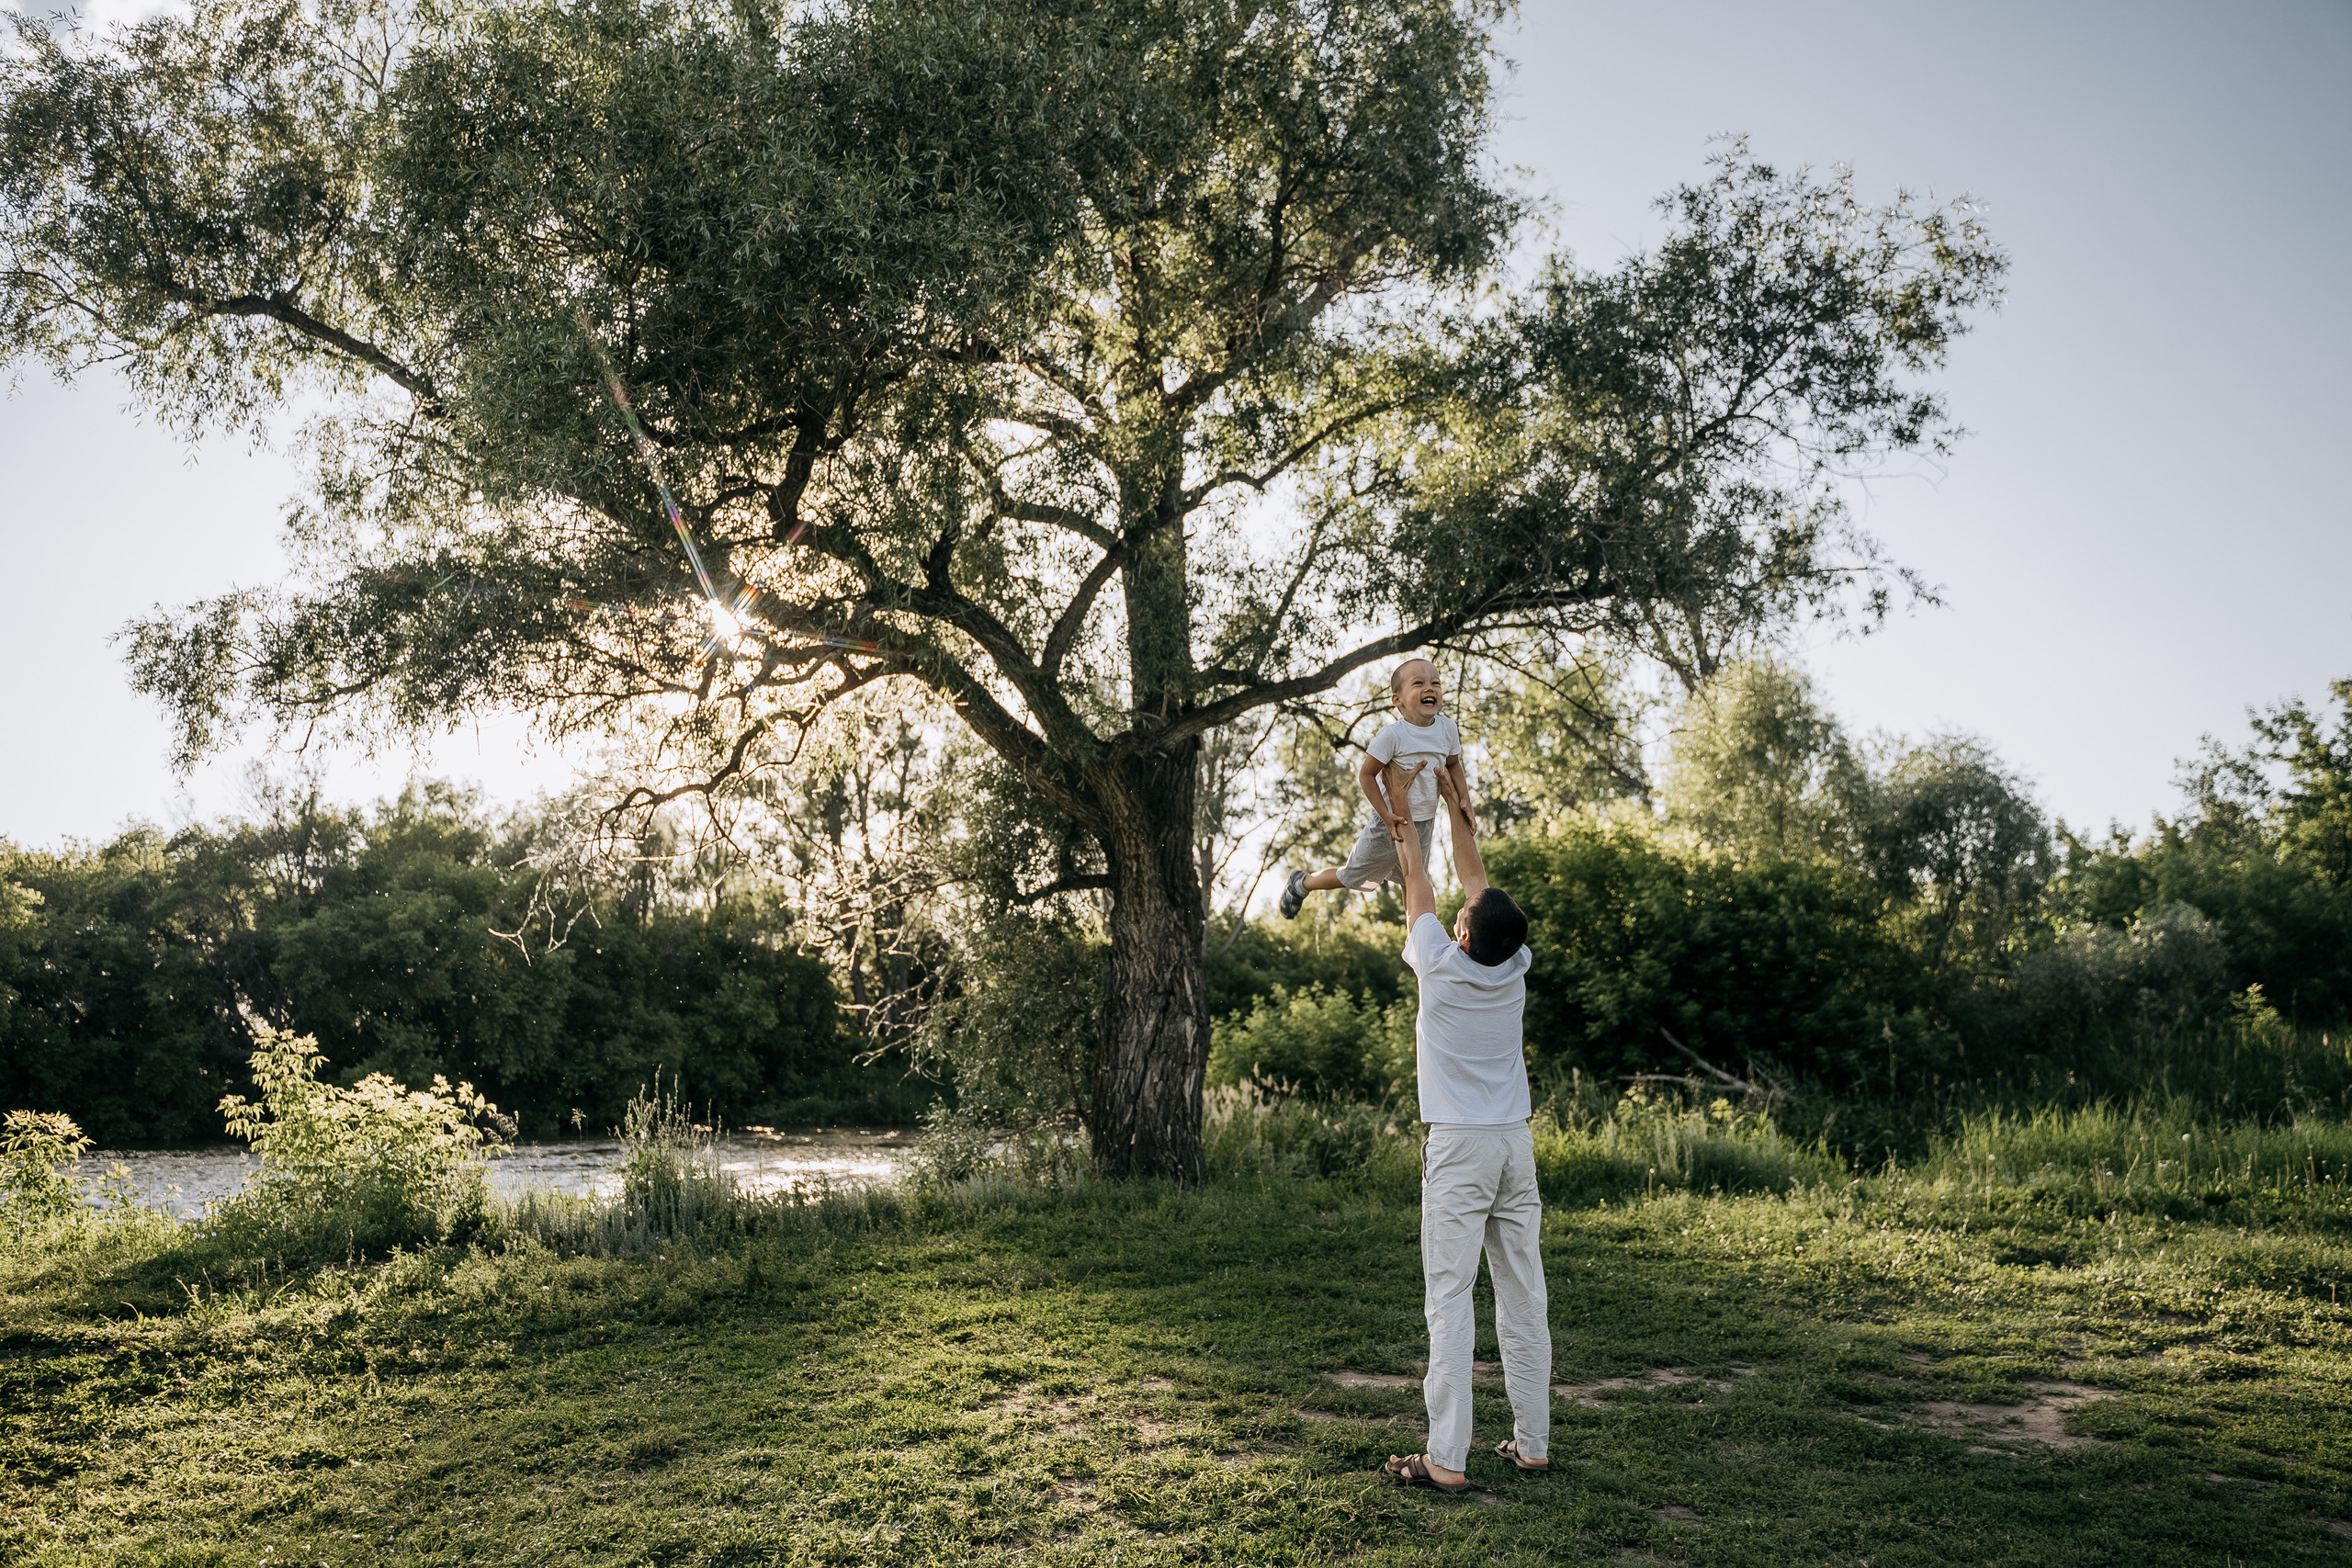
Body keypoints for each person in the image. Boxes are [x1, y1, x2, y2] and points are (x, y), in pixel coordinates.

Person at [1379, 761, 1550, 1494]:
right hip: (1514, 1142)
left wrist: (1399, 802)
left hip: (1459, 1146)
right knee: (1524, 1292)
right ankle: (1532, 1444)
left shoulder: (1439, 963)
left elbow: (1417, 872)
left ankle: (1447, 1458)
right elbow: (1475, 882)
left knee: (1450, 1298)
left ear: (1462, 932)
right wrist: (1457, 804)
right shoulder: (1514, 964)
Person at [1279, 659, 1474, 919]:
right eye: (1419, 683)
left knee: (1412, 878)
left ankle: (1415, 934)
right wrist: (1385, 815)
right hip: (1388, 822)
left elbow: (1453, 764)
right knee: (1351, 875)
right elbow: (1366, 775)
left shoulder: (1448, 729)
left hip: (1424, 822)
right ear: (1397, 700)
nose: (1430, 688)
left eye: (1435, 683)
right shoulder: (1392, 736)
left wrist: (1464, 798)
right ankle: (1302, 883)